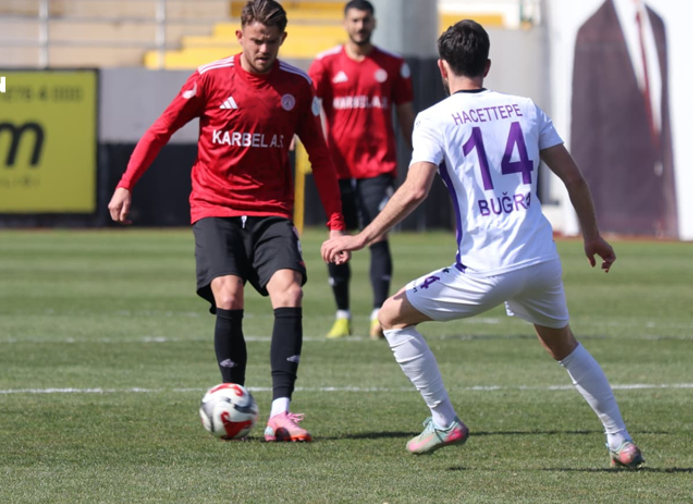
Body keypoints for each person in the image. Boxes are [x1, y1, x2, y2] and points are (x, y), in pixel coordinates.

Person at [321, 20, 644, 468]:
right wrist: (591, 235)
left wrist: (362, 236)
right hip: (540, 259)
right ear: (487, 65)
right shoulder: (526, 108)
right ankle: (620, 440)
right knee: (564, 346)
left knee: (392, 316)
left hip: (486, 269)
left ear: (442, 68)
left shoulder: (434, 118)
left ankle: (443, 420)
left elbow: (415, 191)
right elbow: (573, 178)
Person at [109, 0, 348, 443]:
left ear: (283, 40)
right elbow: (160, 129)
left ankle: (280, 413)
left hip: (271, 211)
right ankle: (232, 392)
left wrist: (336, 224)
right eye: (257, 40)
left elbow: (320, 156)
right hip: (214, 206)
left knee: (290, 290)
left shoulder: (297, 86)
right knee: (230, 293)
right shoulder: (210, 77)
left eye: (272, 42)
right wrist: (126, 183)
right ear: (240, 36)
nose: (264, 49)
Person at [308, 0, 416, 340]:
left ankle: (376, 314)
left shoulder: (393, 65)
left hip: (378, 169)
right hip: (336, 171)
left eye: (366, 20)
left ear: (374, 23)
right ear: (345, 23)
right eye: (355, 20)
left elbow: (405, 116)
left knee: (378, 236)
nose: (360, 26)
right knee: (337, 239)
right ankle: (342, 314)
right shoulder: (325, 64)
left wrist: (420, 156)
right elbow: (307, 113)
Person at [572, 0, 676, 237]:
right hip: (613, 209)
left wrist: (670, 211)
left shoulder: (657, 25)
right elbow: (582, 136)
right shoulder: (592, 32)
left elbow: (663, 121)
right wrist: (589, 225)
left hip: (655, 207)